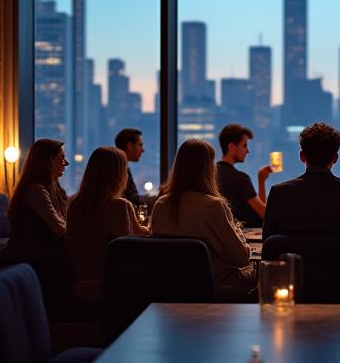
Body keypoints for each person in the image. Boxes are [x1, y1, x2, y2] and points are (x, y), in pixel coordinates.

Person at [151, 139, 256, 302]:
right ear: (207, 169)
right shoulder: (214, 206)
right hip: (215, 286)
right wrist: (239, 233)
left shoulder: (161, 204)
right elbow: (240, 258)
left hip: (170, 286)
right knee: (260, 270)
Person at [263, 122, 340, 271]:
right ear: (335, 158)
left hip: (291, 284)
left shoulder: (279, 193)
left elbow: (268, 246)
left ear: (302, 156)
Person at [66, 147, 150, 303]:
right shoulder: (118, 205)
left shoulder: (74, 205)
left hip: (80, 279)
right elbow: (127, 251)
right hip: (110, 283)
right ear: (118, 175)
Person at [0, 139, 71, 313]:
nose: (66, 163)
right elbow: (60, 228)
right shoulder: (36, 191)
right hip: (31, 255)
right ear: (47, 161)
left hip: (41, 251)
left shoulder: (53, 188)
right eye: (61, 158)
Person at [216, 124, 273, 227]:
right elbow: (264, 214)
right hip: (247, 236)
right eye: (244, 145)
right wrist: (261, 181)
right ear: (232, 146)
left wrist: (261, 180)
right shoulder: (240, 178)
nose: (247, 151)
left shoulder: (210, 174)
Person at [115, 128, 145, 206]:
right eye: (140, 145)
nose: (143, 150)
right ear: (130, 146)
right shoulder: (120, 170)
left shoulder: (120, 167)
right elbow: (133, 200)